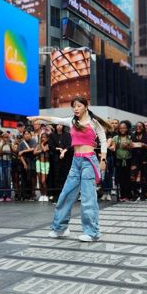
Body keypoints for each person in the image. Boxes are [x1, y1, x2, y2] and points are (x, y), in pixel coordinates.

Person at [29, 96, 109, 242]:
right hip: (76, 161)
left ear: (86, 106)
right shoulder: (71, 122)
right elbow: (54, 119)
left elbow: (103, 140)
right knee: (66, 193)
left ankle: (91, 232)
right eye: (74, 106)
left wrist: (103, 159)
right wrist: (38, 117)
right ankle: (60, 228)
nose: (76, 108)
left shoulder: (93, 122)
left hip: (89, 161)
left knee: (87, 197)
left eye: (78, 106)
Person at [109, 121, 133, 202]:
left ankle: (129, 196)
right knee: (121, 178)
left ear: (127, 129)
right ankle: (122, 196)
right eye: (121, 128)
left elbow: (134, 147)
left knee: (128, 178)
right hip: (119, 160)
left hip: (129, 160)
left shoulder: (130, 137)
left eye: (124, 128)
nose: (122, 129)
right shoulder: (115, 138)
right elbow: (113, 147)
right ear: (118, 129)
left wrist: (128, 146)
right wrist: (112, 148)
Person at [33, 132, 51, 202]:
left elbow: (44, 150)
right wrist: (40, 148)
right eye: (42, 137)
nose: (43, 138)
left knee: (43, 180)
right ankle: (41, 195)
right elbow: (34, 152)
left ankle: (45, 195)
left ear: (47, 138)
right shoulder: (38, 144)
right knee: (40, 180)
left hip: (46, 163)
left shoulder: (48, 144)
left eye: (45, 137)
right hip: (38, 162)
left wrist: (42, 145)